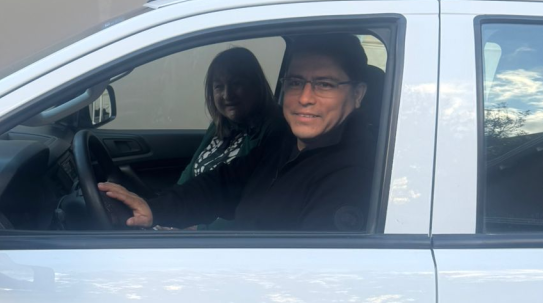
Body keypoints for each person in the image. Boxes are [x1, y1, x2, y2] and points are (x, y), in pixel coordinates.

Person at [100, 34, 374, 233]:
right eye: (295, 82)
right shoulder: (284, 143)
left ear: (358, 94)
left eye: (324, 84)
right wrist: (154, 209)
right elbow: (222, 185)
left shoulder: (354, 174)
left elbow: (312, 267)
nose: (304, 98)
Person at [178, 46, 280, 184]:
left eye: (236, 84)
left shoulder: (273, 128)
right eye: (219, 87)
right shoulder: (219, 124)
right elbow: (189, 173)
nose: (227, 95)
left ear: (256, 85)